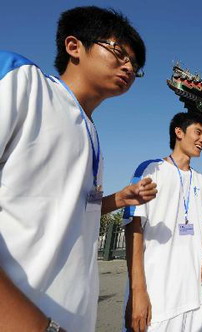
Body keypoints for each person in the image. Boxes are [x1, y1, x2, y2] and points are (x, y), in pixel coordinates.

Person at [0, 6, 156, 332]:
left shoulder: (92, 131)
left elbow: (66, 211)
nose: (129, 66)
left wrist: (116, 200)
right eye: (118, 52)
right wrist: (28, 323)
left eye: (135, 65)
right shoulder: (22, 82)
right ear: (74, 47)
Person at [123, 112, 202, 332]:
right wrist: (138, 291)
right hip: (159, 295)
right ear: (178, 132)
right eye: (198, 132)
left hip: (196, 293)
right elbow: (134, 227)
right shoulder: (151, 170)